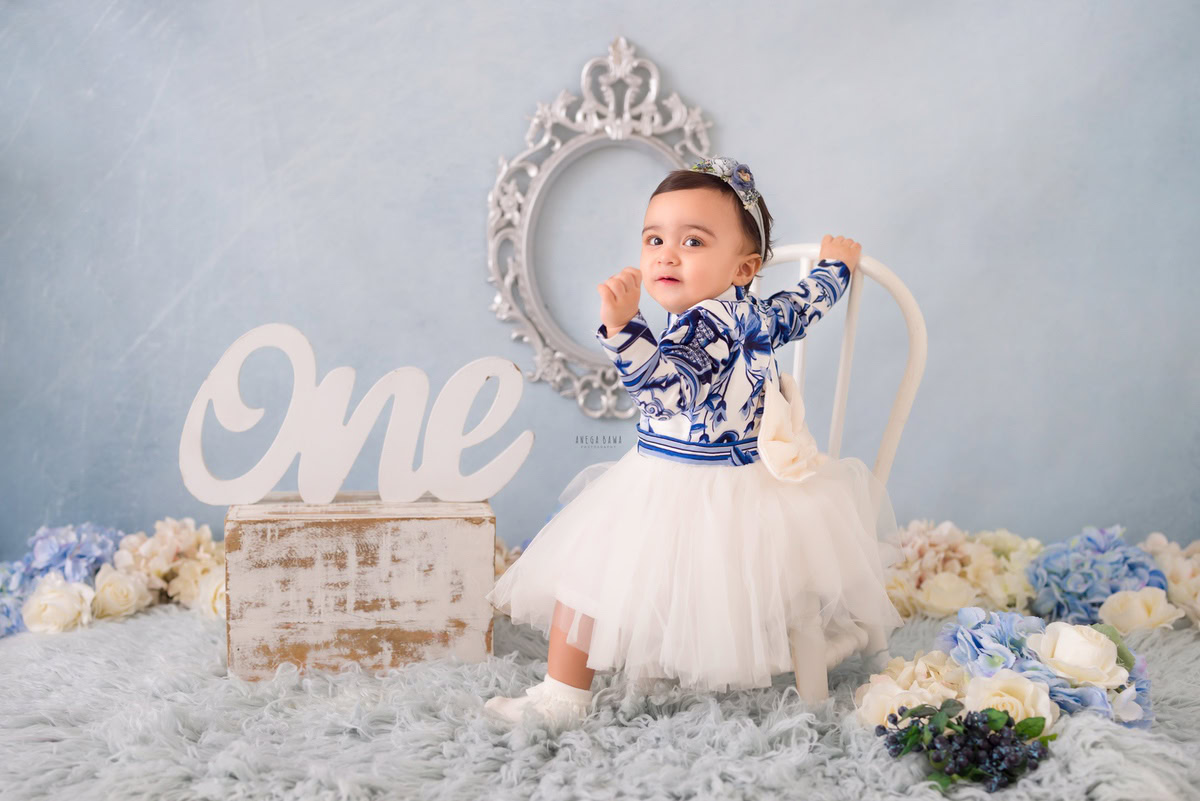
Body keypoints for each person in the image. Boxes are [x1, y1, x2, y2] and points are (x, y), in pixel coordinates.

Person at [484, 156, 904, 730]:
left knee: (587, 577)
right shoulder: (753, 314)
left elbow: (668, 391)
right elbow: (801, 308)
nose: (666, 255)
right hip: (746, 483)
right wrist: (835, 270)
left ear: (743, 267)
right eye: (654, 239)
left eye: (693, 241)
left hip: (688, 485)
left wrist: (623, 329)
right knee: (626, 573)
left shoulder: (707, 327)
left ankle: (563, 699)